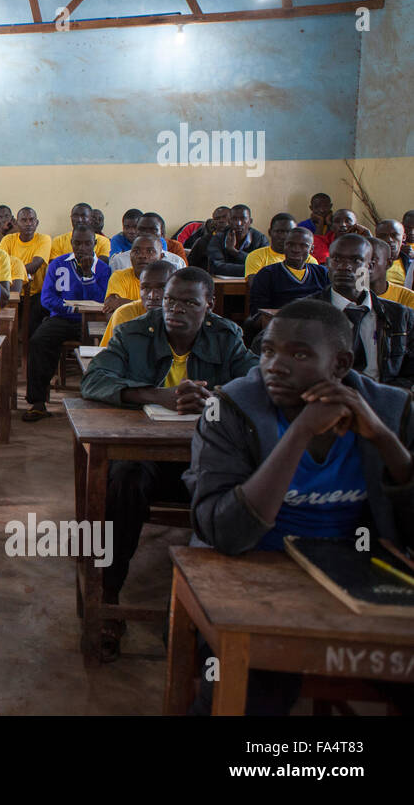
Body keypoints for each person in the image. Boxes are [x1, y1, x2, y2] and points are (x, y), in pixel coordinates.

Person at [186, 299, 414, 714]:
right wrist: (301, 432)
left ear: (341, 364)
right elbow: (224, 532)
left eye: (301, 354)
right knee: (246, 694)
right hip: (254, 575)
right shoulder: (232, 408)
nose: (275, 365)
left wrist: (382, 437)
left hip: (361, 579)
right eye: (269, 351)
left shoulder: (391, 409)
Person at [82, 268, 257, 659]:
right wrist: (157, 396)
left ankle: (214, 610)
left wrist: (214, 398)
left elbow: (258, 382)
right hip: (148, 458)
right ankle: (110, 592)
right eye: (170, 300)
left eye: (189, 303)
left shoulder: (226, 336)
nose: (174, 309)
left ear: (209, 305)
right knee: (123, 479)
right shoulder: (134, 332)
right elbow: (94, 380)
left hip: (205, 460)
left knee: (242, 486)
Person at [300, 233, 414, 388]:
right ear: (327, 264)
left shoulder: (400, 316)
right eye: (337, 259)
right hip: (324, 399)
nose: (344, 267)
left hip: (381, 401)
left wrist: (386, 398)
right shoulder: (304, 311)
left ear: (370, 266)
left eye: (356, 260)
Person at [23, 225, 110, 421]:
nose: (82, 247)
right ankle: (38, 402)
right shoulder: (58, 265)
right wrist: (73, 308)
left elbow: (103, 301)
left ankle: (96, 400)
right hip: (62, 318)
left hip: (92, 322)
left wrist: (88, 276)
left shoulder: (104, 269)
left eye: (87, 243)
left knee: (102, 347)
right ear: (71, 243)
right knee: (39, 341)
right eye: (77, 243)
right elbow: (47, 299)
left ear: (95, 244)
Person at [246, 227, 330, 333]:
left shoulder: (322, 273)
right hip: (279, 327)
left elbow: (330, 307)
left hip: (316, 328)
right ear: (284, 246)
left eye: (303, 246)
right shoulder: (267, 274)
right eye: (290, 244)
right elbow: (258, 313)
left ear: (311, 249)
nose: (296, 250)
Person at [99, 260, 173, 346]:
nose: (152, 296)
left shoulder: (183, 317)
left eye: (162, 288)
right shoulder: (125, 313)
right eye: (145, 288)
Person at [0, 206, 53, 306]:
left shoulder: (44, 239)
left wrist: (14, 272)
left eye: (31, 220)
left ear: (37, 223)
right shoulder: (7, 240)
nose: (28, 224)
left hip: (35, 294)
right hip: (10, 291)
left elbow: (34, 266)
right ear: (16, 223)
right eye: (24, 220)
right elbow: (1, 268)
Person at [102, 234, 163, 316]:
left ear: (161, 257)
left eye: (150, 251)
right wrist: (150, 308)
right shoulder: (120, 276)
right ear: (130, 255)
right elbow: (111, 305)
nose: (142, 256)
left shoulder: (168, 280)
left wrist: (125, 304)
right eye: (137, 251)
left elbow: (164, 312)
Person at [244, 213, 317, 277]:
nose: (284, 237)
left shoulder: (308, 260)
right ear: (270, 232)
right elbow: (255, 287)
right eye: (279, 231)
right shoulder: (257, 256)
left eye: (289, 232)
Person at [205, 204, 268, 276]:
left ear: (250, 221)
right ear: (229, 221)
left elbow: (265, 266)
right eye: (234, 219)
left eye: (243, 219)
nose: (238, 223)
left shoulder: (260, 239)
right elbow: (216, 267)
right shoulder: (218, 238)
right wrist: (253, 268)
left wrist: (235, 252)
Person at [107, 213, 186, 271]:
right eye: (142, 229)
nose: (147, 233)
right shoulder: (119, 261)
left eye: (153, 229)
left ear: (162, 233)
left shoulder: (176, 262)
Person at [47, 203, 112, 262]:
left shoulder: (104, 242)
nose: (79, 220)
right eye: (75, 216)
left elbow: (101, 266)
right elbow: (55, 266)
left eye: (83, 216)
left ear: (91, 219)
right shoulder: (58, 241)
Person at [369, 237, 414, 311]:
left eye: (373, 259)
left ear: (388, 263)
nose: (366, 264)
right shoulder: (348, 296)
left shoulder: (407, 297)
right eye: (359, 260)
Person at [185, 206, 230, 270]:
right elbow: (190, 264)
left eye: (224, 217)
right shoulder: (204, 241)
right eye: (217, 218)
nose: (221, 221)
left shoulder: (244, 239)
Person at [375, 219, 407, 286]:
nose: (389, 240)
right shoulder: (368, 263)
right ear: (376, 238)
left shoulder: (410, 264)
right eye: (383, 236)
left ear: (404, 237)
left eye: (394, 235)